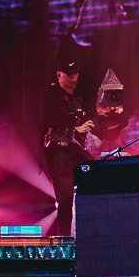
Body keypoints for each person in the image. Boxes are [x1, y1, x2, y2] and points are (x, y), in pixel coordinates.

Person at [40, 53, 97, 236]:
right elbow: (49, 129)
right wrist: (75, 130)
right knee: (65, 198)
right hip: (59, 154)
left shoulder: (79, 97)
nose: (74, 77)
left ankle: (89, 234)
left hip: (78, 154)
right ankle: (64, 241)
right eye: (69, 73)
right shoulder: (50, 95)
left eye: (76, 73)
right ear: (59, 74)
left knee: (94, 185)